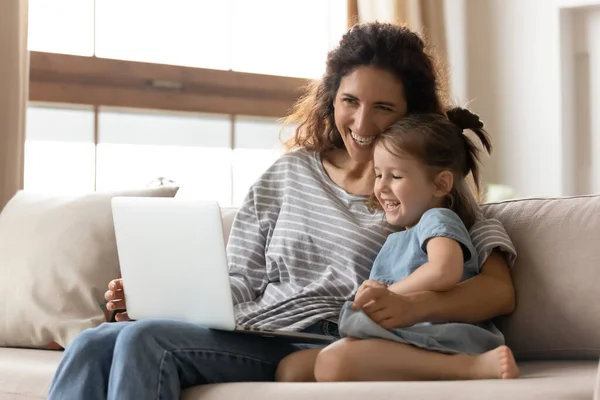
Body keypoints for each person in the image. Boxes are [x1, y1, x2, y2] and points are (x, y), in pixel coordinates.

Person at [48, 22, 517, 399]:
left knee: (145, 342)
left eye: (384, 107)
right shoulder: (286, 174)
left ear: (412, 113)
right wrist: (158, 298)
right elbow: (238, 282)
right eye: (349, 101)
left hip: (318, 341)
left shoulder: (416, 189)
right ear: (332, 97)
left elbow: (496, 290)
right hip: (252, 327)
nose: (362, 123)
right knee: (91, 343)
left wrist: (406, 305)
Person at [275, 108, 519, 382]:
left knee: (335, 362)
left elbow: (444, 270)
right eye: (378, 175)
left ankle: (471, 368)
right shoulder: (396, 238)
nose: (381, 187)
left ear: (440, 184)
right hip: (408, 335)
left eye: (396, 176)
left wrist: (392, 294)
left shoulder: (438, 218)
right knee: (291, 368)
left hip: (446, 337)